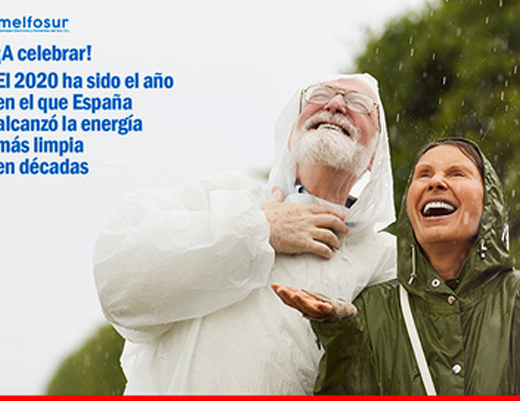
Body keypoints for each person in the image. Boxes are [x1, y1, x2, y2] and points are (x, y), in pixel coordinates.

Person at [93, 73, 396, 394]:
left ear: (375, 157)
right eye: (320, 95)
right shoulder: (222, 196)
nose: (336, 104)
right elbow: (121, 282)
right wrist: (258, 229)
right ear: (291, 136)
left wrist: (347, 326)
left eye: (359, 103)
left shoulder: (384, 258)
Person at [273, 138, 520, 395]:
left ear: (490, 204)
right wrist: (341, 335)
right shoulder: (372, 311)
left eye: (457, 173)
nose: (436, 182)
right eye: (423, 174)